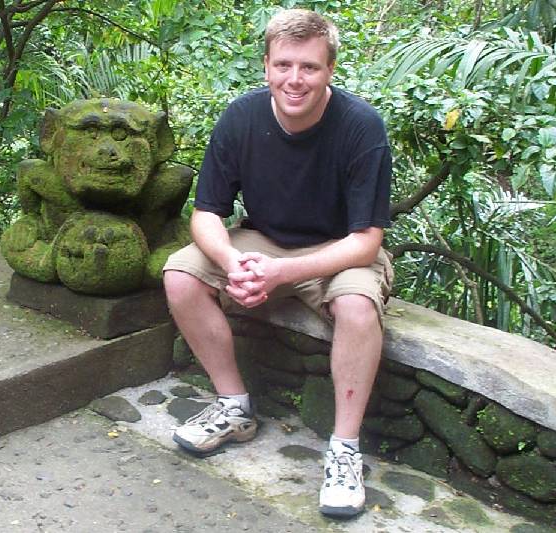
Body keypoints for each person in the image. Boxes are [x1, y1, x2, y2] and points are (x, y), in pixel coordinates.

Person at [162, 8, 392, 518]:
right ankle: (234, 407)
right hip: (261, 240)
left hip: (338, 250)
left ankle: (344, 450)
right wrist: (232, 261)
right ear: (266, 65)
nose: (295, 79)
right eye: (284, 65)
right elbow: (206, 214)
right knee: (180, 274)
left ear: (330, 69)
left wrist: (282, 273)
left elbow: (366, 242)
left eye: (309, 67)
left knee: (358, 307)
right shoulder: (241, 118)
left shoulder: (361, 127)